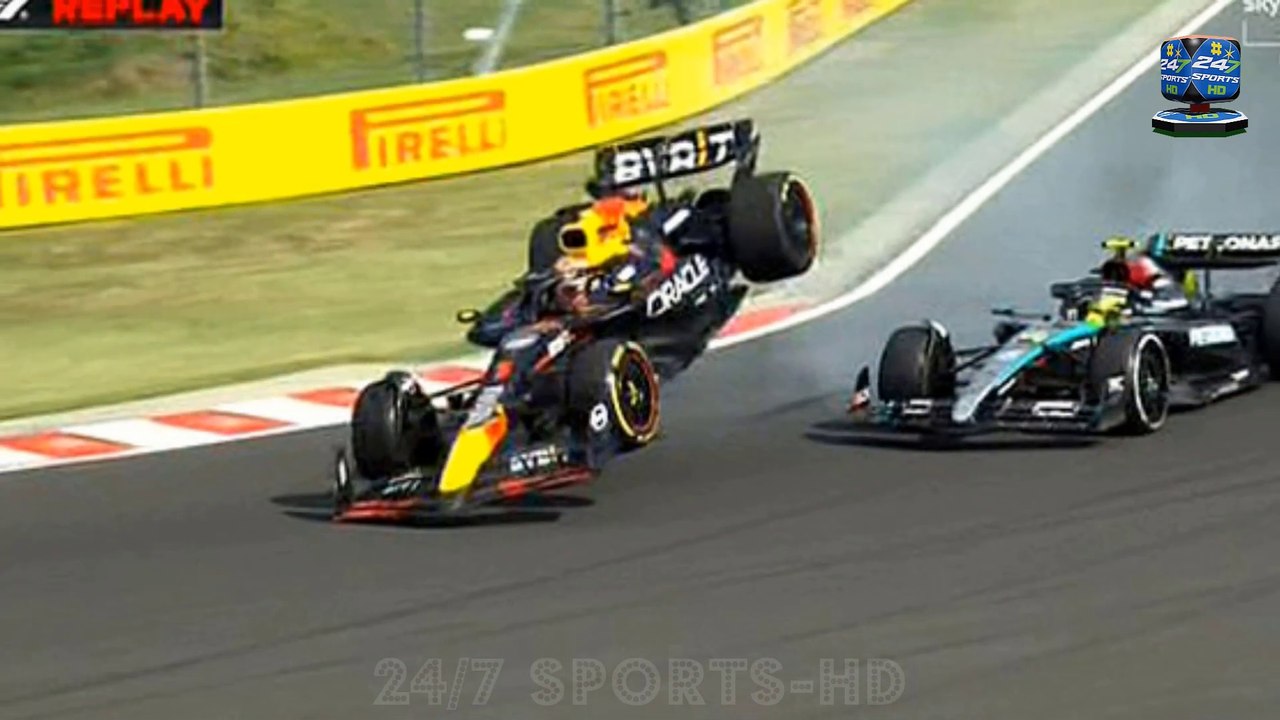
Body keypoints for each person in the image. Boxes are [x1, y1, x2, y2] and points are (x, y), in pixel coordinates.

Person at [550, 190, 678, 316]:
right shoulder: (596, 218)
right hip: (606, 274)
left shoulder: (636, 225)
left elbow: (663, 259)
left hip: (638, 261)